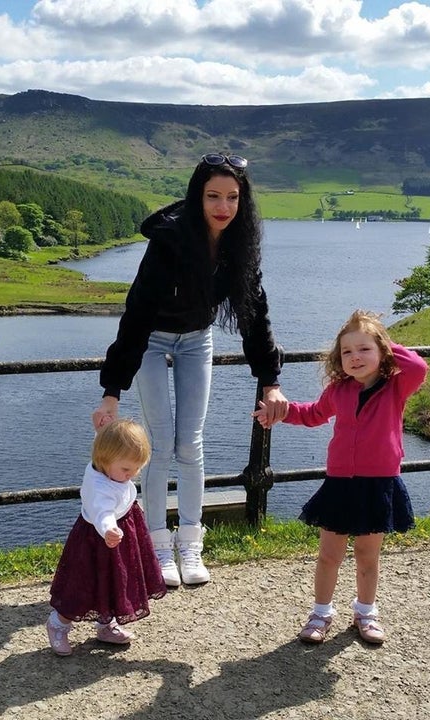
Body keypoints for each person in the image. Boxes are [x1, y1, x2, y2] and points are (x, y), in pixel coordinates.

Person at [92, 153, 288, 588]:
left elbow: (255, 315)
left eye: (233, 197)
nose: (223, 206)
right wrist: (111, 391)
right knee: (159, 444)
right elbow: (137, 314)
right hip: (153, 339)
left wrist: (271, 382)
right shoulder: (170, 241)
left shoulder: (240, 245)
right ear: (197, 196)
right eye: (213, 196)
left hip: (197, 339)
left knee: (191, 442)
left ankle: (191, 542)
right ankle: (158, 545)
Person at [254, 309, 428, 645]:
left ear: (383, 351)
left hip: (378, 483)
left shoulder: (396, 387)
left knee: (367, 554)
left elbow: (418, 367)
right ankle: (321, 612)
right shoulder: (339, 390)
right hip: (339, 483)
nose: (355, 357)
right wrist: (283, 412)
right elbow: (315, 414)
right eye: (347, 352)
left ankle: (366, 611)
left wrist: (386, 341)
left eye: (364, 349)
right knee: (329, 555)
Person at [47, 419, 166, 656]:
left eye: (137, 469)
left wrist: (101, 428)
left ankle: (106, 624)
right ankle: (58, 624)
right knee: (82, 586)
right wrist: (109, 530)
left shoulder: (109, 466)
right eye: (126, 470)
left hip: (121, 533)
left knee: (115, 581)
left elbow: (104, 443)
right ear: (105, 459)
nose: (132, 475)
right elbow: (102, 513)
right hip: (98, 540)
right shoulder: (99, 487)